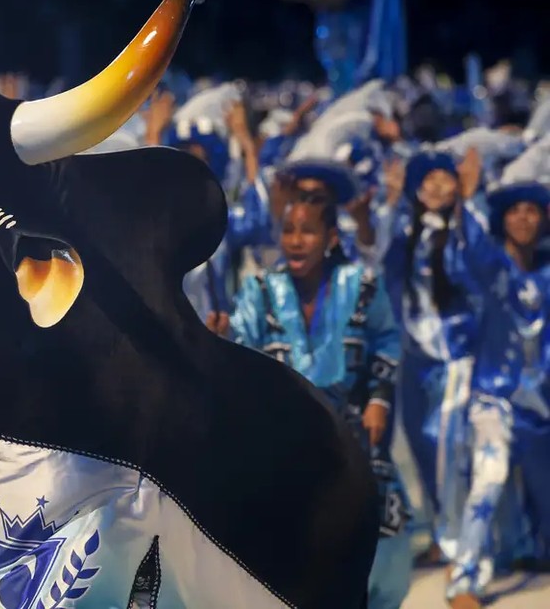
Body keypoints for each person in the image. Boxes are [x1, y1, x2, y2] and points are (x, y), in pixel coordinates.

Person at [220, 195, 412, 609]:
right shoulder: (259, 290)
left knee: (382, 539)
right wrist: (215, 341)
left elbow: (387, 341)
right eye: (288, 230)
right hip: (285, 435)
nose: (295, 240)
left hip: (353, 428)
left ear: (328, 238)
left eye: (307, 231)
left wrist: (379, 398)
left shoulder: (361, 285)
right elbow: (241, 349)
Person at [440, 141, 550, 609]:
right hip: (493, 399)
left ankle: (533, 550)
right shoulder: (492, 267)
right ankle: (465, 579)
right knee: (489, 478)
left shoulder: (547, 275)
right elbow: (471, 247)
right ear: (502, 217)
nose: (524, 218)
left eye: (533, 211)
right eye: (515, 211)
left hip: (541, 406)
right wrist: (465, 197)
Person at [375, 148, 483, 565]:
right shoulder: (405, 232)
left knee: (452, 449)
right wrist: (388, 201)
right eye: (428, 180)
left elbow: (477, 269)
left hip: (457, 356)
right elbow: (375, 256)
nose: (436, 187)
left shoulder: (466, 228)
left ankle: (462, 539)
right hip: (415, 356)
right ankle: (444, 532)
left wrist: (469, 204)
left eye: (446, 178)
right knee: (422, 447)